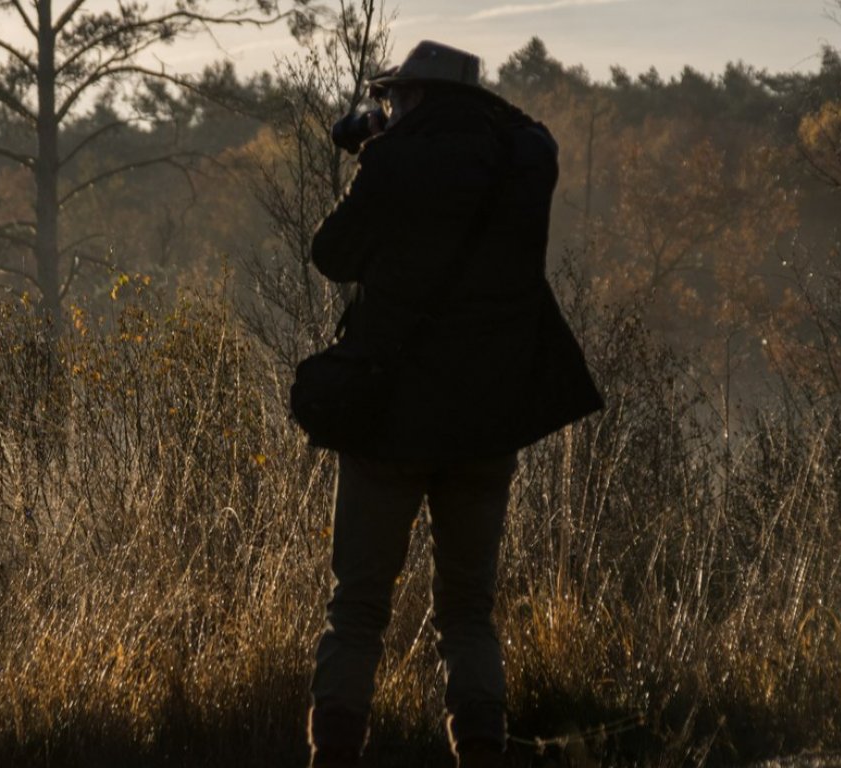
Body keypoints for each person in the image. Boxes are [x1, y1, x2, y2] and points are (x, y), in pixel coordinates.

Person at [304, 41, 604, 768]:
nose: (391, 108)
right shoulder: (520, 162)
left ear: (420, 99)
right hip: (484, 424)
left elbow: (332, 256)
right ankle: (482, 751)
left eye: (399, 97)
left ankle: (334, 755)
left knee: (359, 610)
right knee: (468, 612)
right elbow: (504, 148)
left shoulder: (397, 162)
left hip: (388, 422)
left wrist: (377, 156)